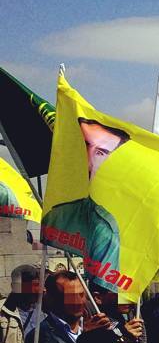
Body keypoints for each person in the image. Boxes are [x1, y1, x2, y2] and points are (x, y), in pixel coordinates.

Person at [42, 118, 127, 276]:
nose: (88, 160)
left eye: (100, 153)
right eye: (85, 147)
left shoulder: (134, 217)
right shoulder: (58, 216)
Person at [1, 265, 40, 343]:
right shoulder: (3, 312)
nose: (33, 291)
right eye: (27, 287)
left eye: (36, 286)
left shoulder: (45, 310)